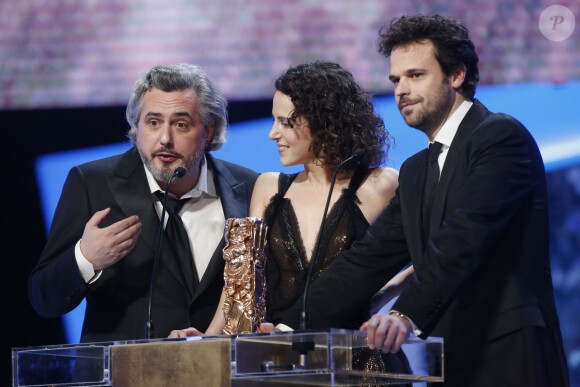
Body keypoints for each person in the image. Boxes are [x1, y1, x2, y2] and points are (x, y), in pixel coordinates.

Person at [275, 15, 570, 386]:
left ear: (457, 75)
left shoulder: (499, 137)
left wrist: (404, 315)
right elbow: (370, 257)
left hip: (508, 355)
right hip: (449, 361)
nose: (401, 90)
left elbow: (464, 239)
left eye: (415, 75)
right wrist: (289, 326)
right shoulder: (416, 170)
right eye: (396, 80)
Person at [28, 64, 259, 342]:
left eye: (181, 124)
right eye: (153, 122)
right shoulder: (91, 183)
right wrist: (85, 258)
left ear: (208, 131)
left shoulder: (248, 187)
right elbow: (44, 298)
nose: (165, 139)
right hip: (126, 374)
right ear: (137, 127)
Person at [169, 61, 399, 337]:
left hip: (358, 362)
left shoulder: (381, 184)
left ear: (326, 122)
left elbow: (427, 261)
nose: (272, 133)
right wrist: (208, 341)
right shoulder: (269, 188)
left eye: (286, 122)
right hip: (282, 360)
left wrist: (380, 302)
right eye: (274, 120)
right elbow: (240, 285)